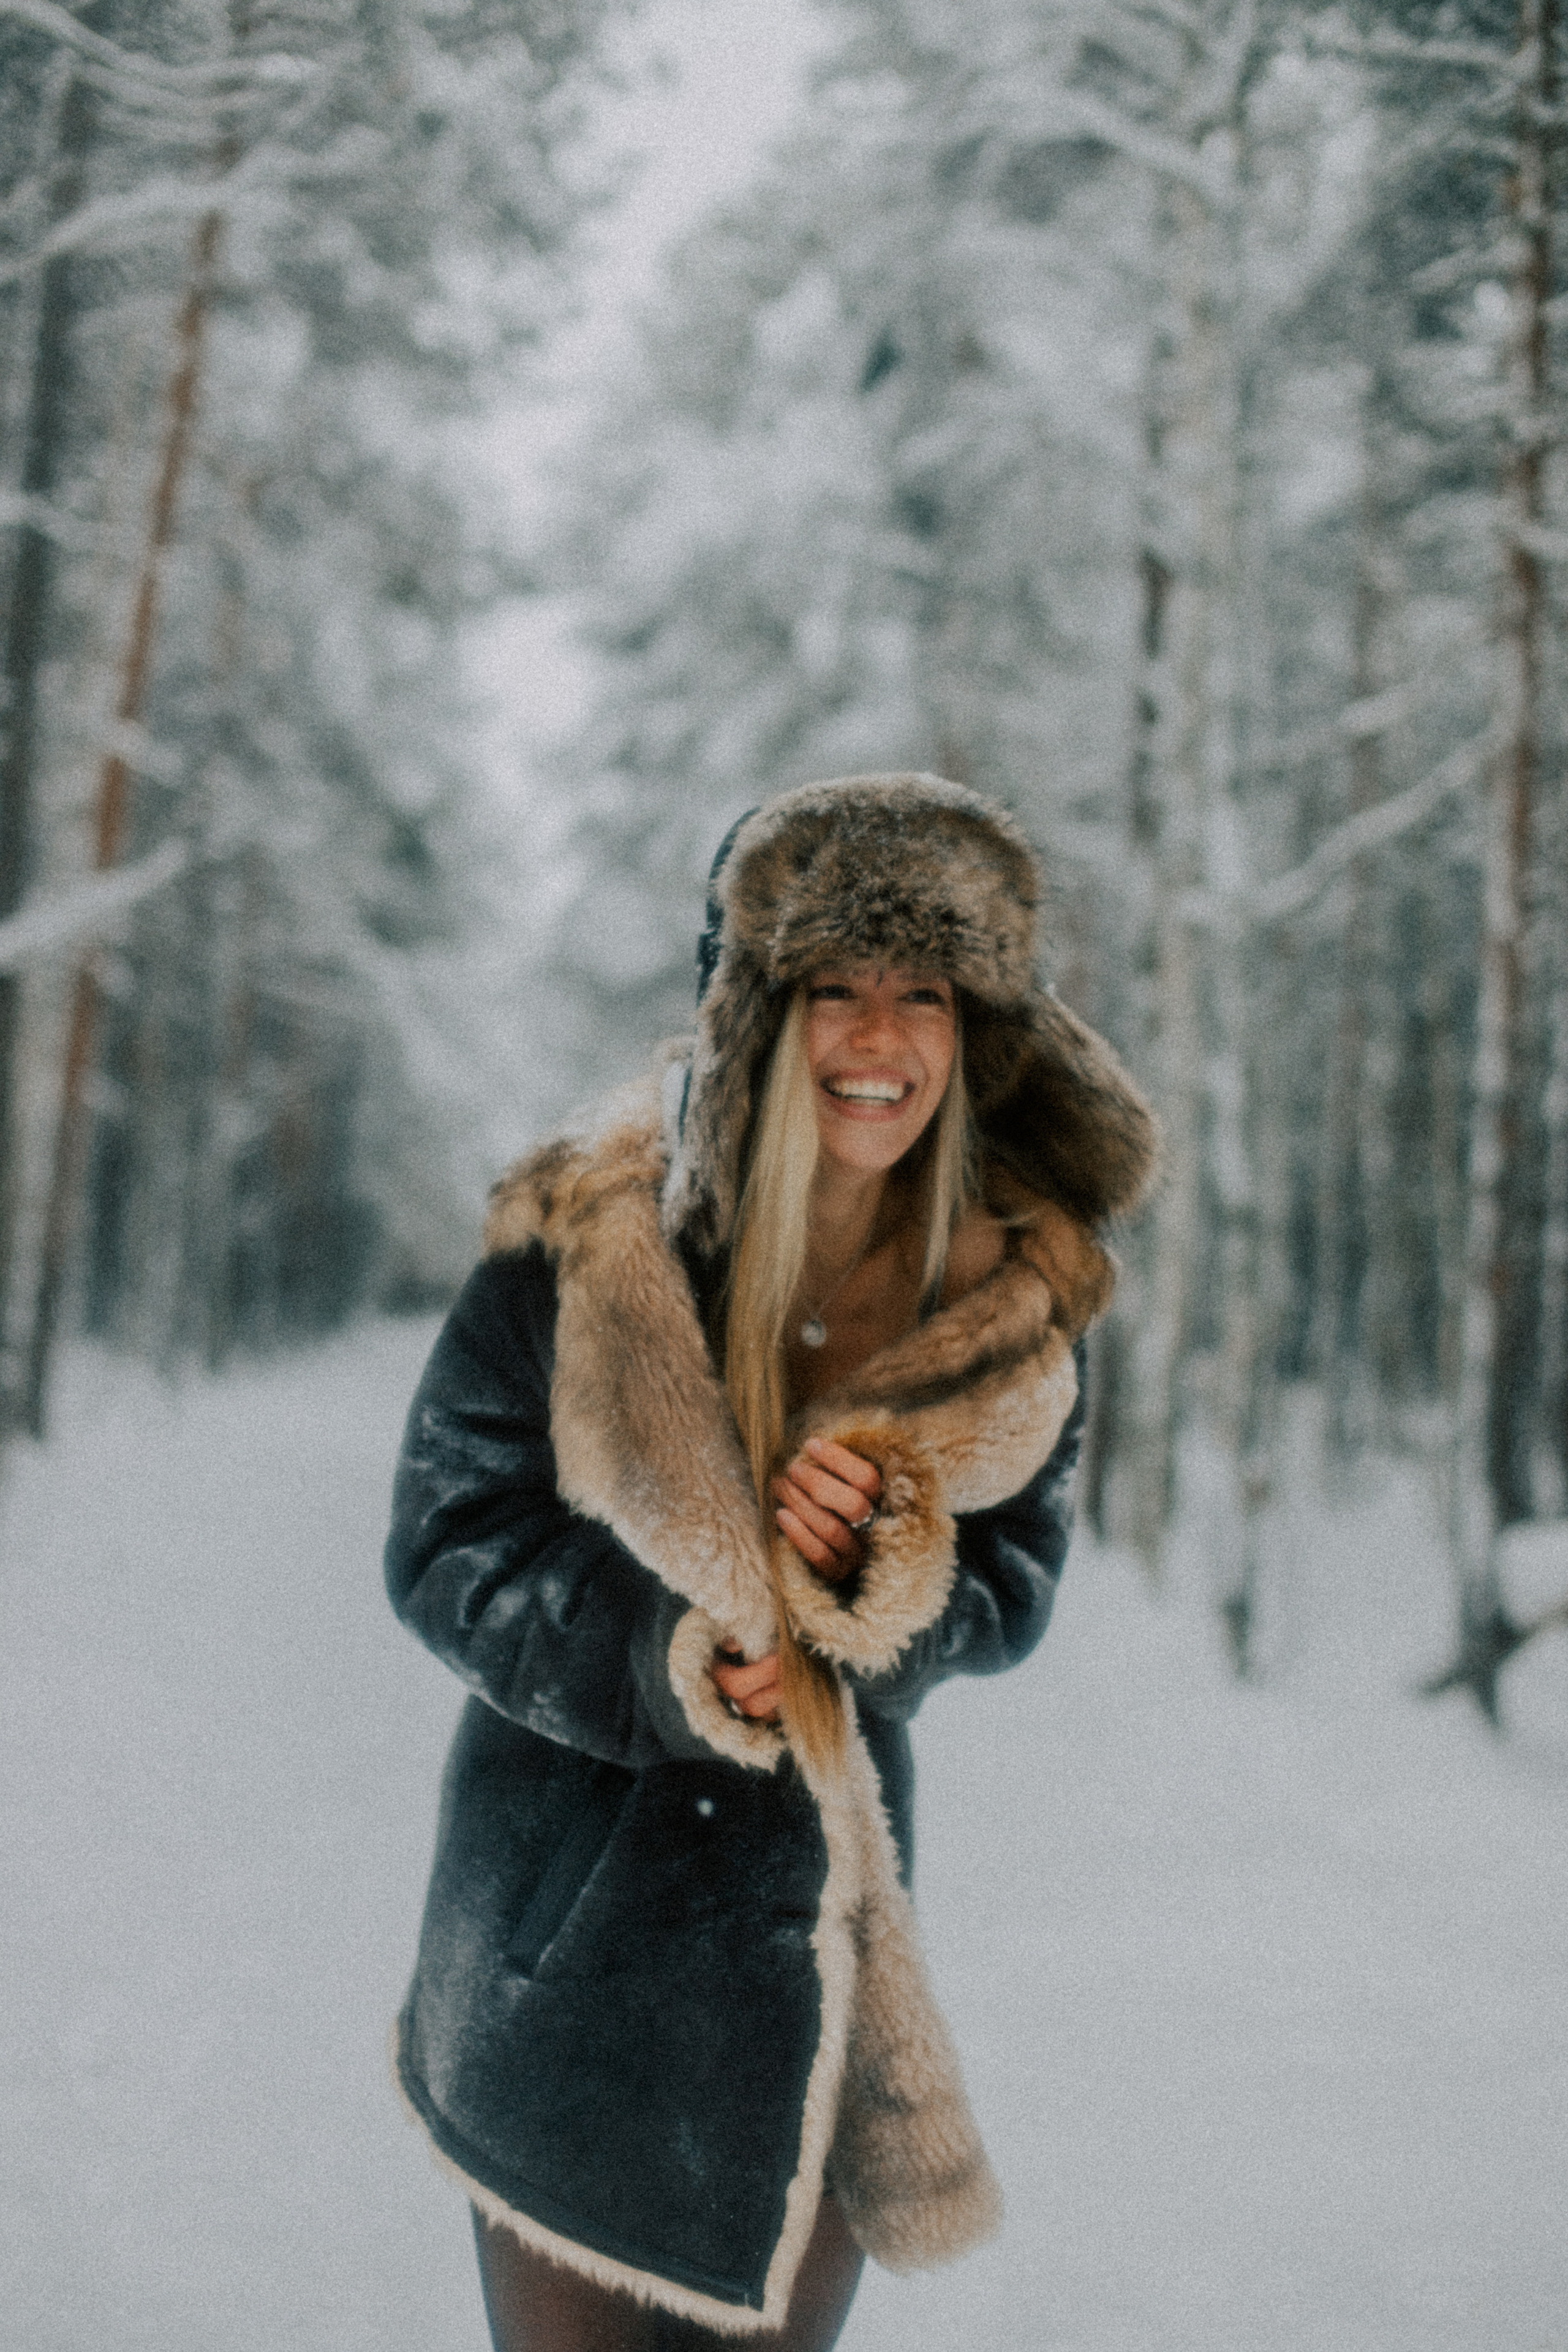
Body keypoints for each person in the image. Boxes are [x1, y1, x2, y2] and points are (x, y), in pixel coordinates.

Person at [385, 772, 1156, 2350]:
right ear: (756, 1009)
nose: (881, 1042)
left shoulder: (1004, 1305)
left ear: (976, 1026)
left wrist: (898, 1573)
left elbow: (1014, 1581)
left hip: (814, 1992)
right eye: (837, 989)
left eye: (923, 992)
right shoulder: (589, 1246)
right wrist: (664, 1656)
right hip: (563, 1970)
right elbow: (447, 1539)